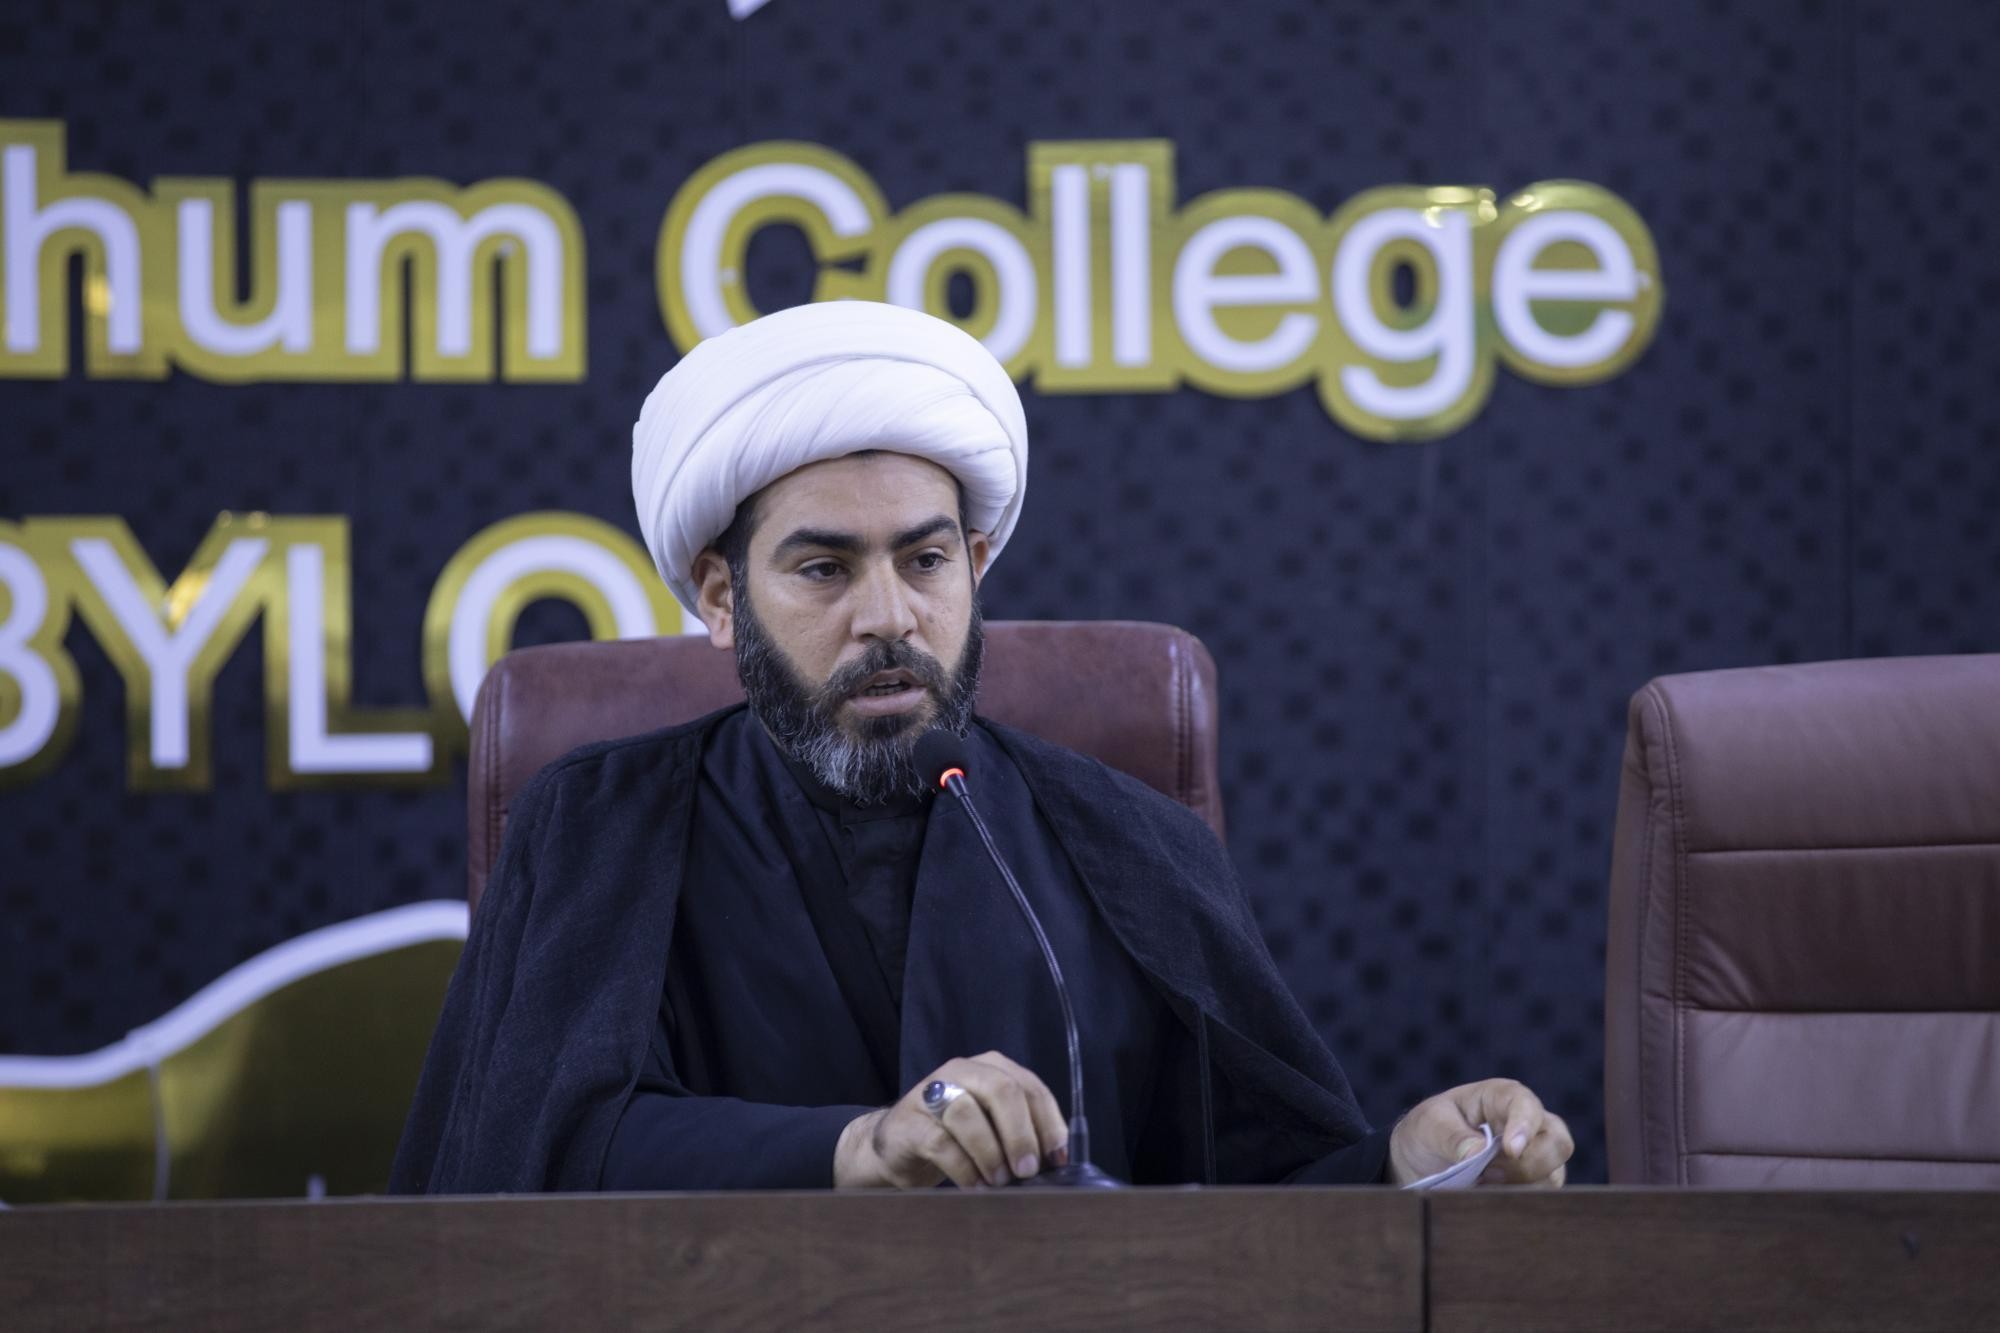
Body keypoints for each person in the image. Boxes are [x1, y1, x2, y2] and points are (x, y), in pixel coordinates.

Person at [390, 300, 1573, 1194]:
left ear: (976, 564)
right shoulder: (599, 823)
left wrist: (1406, 1164)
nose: (888, 617)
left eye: (924, 560)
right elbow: (541, 1154)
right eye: (822, 568)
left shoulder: (1128, 843)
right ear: (717, 595)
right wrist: (856, 1150)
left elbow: (1262, 1193)